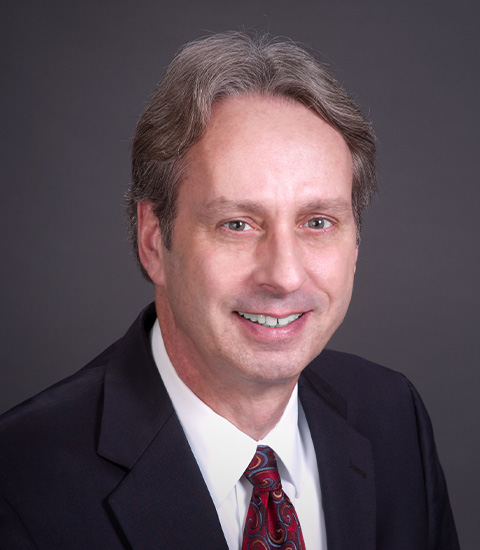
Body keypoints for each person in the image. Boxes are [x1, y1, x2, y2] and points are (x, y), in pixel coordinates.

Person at [0, 32, 459, 550]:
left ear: (355, 241)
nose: (284, 276)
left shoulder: (393, 416)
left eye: (318, 221)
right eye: (237, 224)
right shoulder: (19, 480)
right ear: (154, 241)